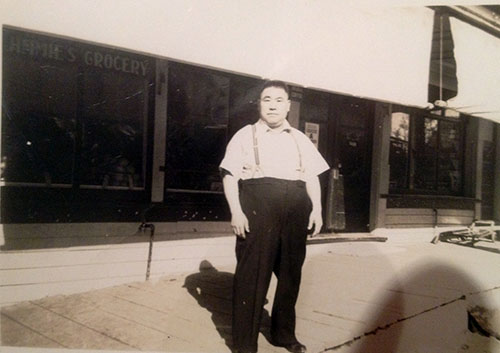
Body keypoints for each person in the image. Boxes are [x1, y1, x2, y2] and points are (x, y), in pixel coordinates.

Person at [219, 80, 329, 353]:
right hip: (258, 208)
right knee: (252, 276)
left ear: (288, 106)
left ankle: (283, 334)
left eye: (279, 100)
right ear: (259, 103)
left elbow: (313, 177)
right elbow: (230, 176)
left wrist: (317, 209)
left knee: (291, 275)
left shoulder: (299, 138)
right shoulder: (245, 135)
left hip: (295, 209)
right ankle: (245, 344)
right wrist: (236, 212)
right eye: (266, 99)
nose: (272, 105)